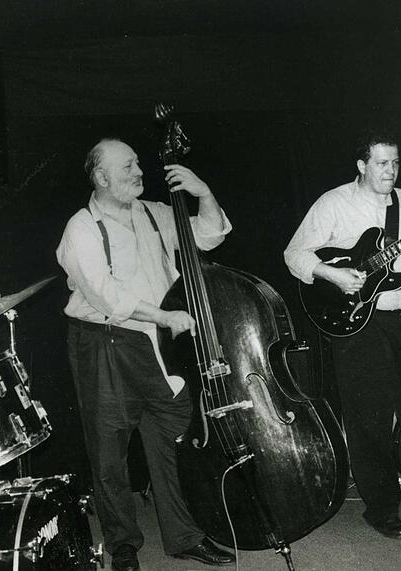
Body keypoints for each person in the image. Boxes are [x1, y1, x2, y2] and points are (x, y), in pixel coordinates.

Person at [284, 131, 401, 539]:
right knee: (368, 418)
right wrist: (333, 273)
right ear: (362, 165)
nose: (391, 170)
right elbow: (295, 254)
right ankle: (382, 508)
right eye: (382, 163)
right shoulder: (334, 203)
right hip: (358, 322)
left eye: (395, 163)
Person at [57, 138, 235, 570]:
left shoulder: (155, 213)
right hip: (105, 343)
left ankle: (184, 536)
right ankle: (122, 544)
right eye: (127, 167)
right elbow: (105, 295)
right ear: (101, 178)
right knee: (109, 450)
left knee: (174, 437)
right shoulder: (80, 226)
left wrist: (203, 192)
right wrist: (166, 315)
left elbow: (209, 237)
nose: (139, 171)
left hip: (159, 344)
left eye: (138, 163)